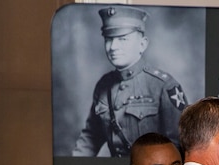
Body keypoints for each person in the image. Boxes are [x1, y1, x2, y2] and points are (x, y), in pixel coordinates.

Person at [73, 7, 186, 157]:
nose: (113, 47)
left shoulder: (164, 86)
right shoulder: (103, 85)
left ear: (142, 44)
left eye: (123, 39)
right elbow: (91, 137)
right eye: (108, 39)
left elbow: (179, 146)